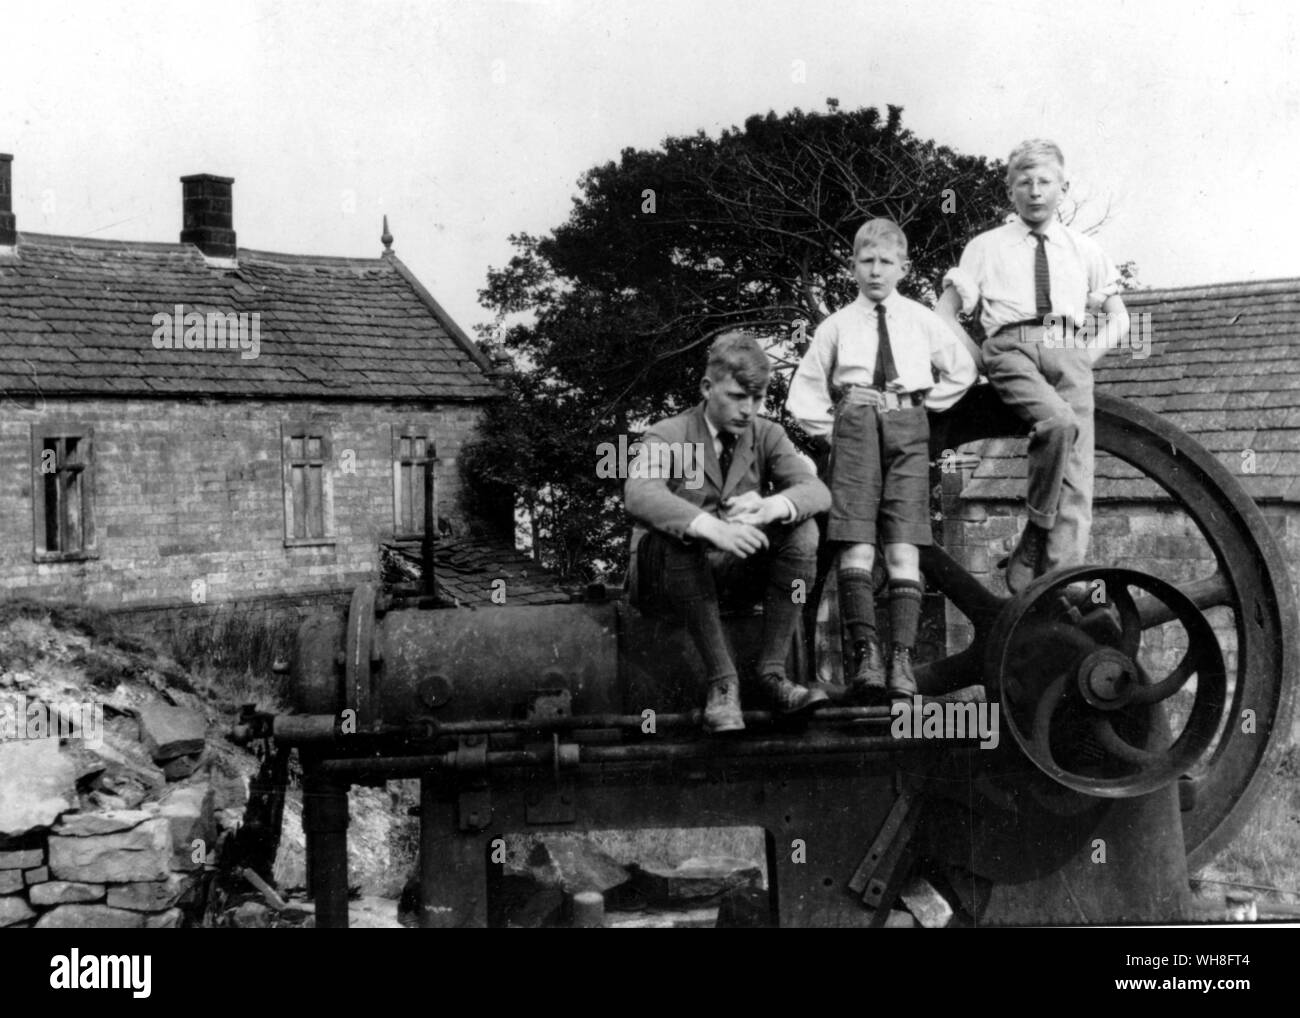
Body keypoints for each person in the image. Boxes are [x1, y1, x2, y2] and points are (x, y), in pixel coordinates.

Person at [786, 218, 976, 702]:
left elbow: (962, 368)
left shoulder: (920, 319)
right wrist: (837, 429)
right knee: (855, 540)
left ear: (903, 267)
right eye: (866, 261)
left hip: (908, 428)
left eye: (886, 262)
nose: (875, 271)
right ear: (852, 267)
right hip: (854, 427)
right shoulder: (836, 325)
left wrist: (921, 407)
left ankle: (901, 661)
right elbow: (804, 393)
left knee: (904, 543)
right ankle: (866, 655)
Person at [936, 139, 1130, 593]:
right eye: (1025, 183)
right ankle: (1036, 531)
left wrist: (1086, 355)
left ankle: (1060, 589)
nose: (1036, 191)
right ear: (1010, 192)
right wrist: (981, 358)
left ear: (1064, 188)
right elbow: (944, 313)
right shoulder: (985, 247)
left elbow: (1120, 316)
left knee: (1078, 478)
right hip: (1012, 348)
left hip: (1069, 349)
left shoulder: (1085, 249)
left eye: (1045, 182)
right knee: (1058, 424)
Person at [625, 332, 832, 734]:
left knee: (802, 528)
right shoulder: (669, 434)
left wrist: (773, 506)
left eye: (757, 399)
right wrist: (709, 527)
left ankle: (772, 675)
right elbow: (639, 492)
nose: (749, 410)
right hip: (661, 580)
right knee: (681, 536)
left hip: (727, 577)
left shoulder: (767, 435)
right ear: (707, 387)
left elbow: (817, 491)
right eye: (738, 396)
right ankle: (722, 684)